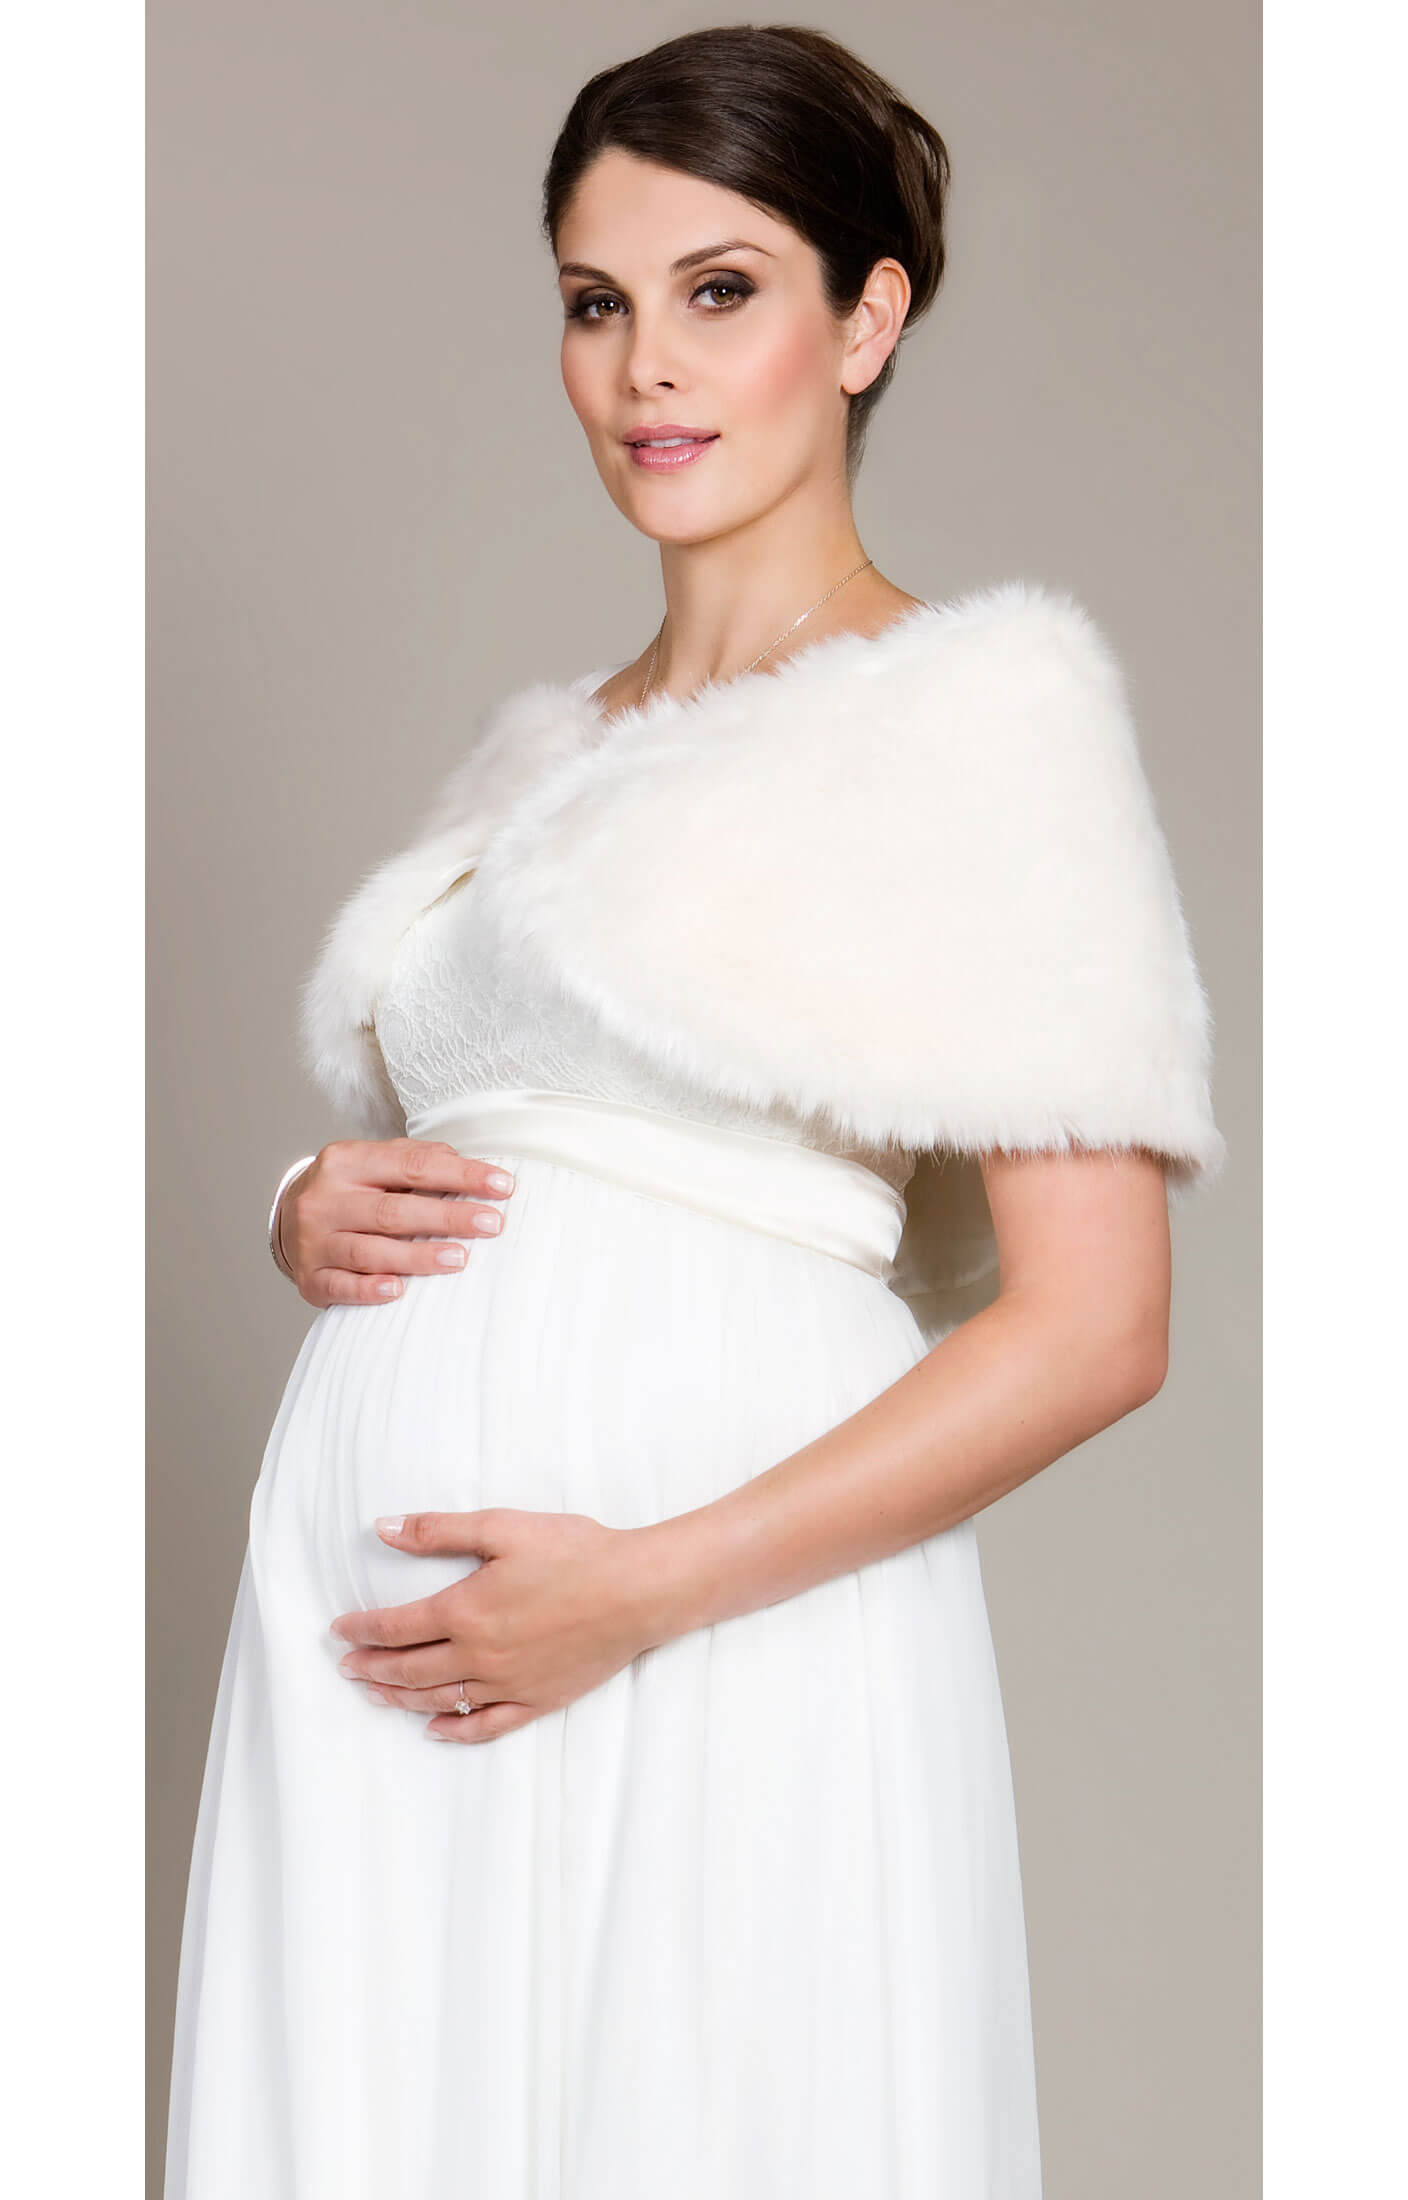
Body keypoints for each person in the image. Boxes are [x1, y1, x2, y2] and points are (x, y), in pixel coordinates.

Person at [163, 24, 1225, 2199]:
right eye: (595, 300)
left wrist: (638, 1589)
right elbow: (512, 1123)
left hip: (709, 1615)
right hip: (384, 1651)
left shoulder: (972, 718)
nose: (644, 365)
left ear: (868, 317)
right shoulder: (541, 756)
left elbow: (1094, 1324)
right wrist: (304, 1201)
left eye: (718, 289)